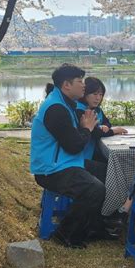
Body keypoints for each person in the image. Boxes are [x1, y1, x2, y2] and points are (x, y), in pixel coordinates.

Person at [30, 64, 111, 249]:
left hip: (67, 163)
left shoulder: (66, 104)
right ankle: (66, 233)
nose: (84, 86)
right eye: (80, 82)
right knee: (94, 189)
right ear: (67, 85)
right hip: (52, 170)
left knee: (110, 173)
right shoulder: (56, 109)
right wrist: (87, 129)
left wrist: (87, 128)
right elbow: (74, 145)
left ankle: (95, 226)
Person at [76, 77, 128, 162]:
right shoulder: (80, 110)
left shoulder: (97, 109)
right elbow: (95, 133)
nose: (98, 98)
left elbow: (107, 122)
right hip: (81, 158)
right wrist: (114, 131)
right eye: (95, 94)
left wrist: (105, 126)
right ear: (85, 93)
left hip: (94, 152)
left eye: (101, 94)